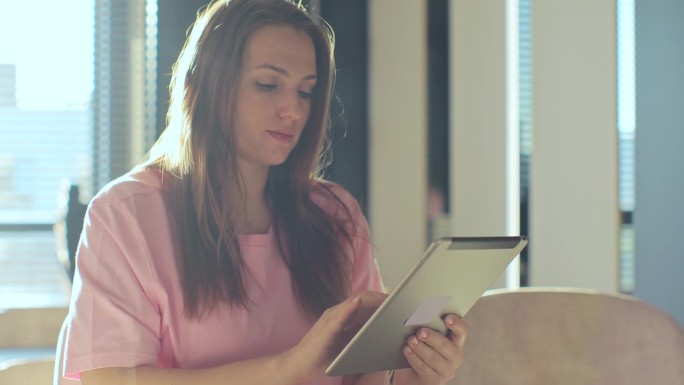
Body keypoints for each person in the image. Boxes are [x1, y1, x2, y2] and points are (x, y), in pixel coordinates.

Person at [61, 0, 468, 384]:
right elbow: (108, 380)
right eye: (268, 85)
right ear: (205, 86)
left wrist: (409, 375)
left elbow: (363, 376)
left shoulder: (336, 215)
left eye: (305, 92)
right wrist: (286, 367)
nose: (292, 110)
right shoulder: (126, 215)